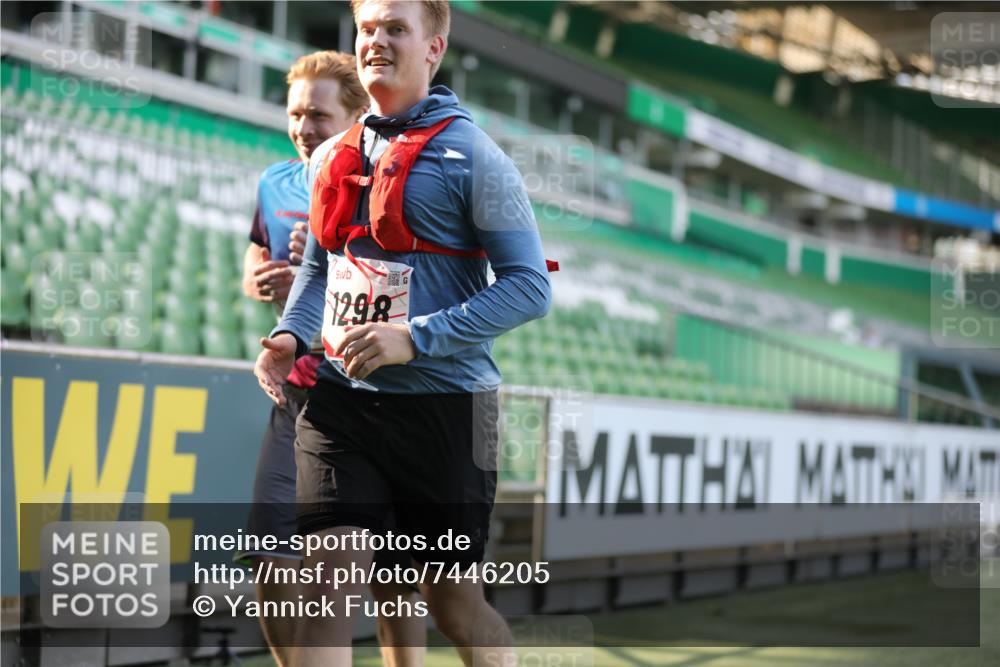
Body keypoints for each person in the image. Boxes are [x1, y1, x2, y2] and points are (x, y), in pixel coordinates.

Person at [254, 1, 553, 664]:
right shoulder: (332, 155)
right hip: (341, 406)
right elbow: (316, 270)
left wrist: (414, 337)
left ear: (434, 48)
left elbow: (531, 287)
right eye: (366, 29)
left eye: (396, 28)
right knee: (330, 579)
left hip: (446, 411)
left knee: (452, 603)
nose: (377, 41)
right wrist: (289, 338)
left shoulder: (479, 157)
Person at [239, 49, 424, 667]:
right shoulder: (273, 181)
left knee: (387, 578)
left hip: (371, 398)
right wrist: (268, 282)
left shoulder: (387, 181)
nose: (303, 127)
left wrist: (318, 277)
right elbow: (254, 261)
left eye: (318, 115)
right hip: (296, 395)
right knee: (270, 555)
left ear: (355, 115)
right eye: (295, 113)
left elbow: (400, 297)